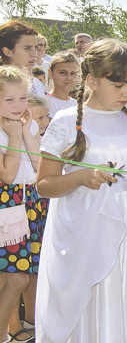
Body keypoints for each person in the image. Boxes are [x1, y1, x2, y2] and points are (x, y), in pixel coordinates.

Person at [35, 39, 127, 342]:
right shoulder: (65, 123)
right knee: (83, 301)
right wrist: (80, 177)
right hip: (82, 232)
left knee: (124, 298)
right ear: (91, 80)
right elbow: (44, 185)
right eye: (118, 85)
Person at [0, 66, 42, 343]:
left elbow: (40, 165)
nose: (18, 106)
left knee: (21, 276)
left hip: (32, 204)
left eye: (23, 98)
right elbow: (6, 175)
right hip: (8, 207)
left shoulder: (30, 124)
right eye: (9, 100)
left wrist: (26, 132)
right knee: (15, 279)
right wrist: (14, 136)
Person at [45, 52, 79, 119]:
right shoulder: (47, 103)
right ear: (50, 74)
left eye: (73, 73)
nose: (69, 78)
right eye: (62, 73)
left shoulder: (75, 103)